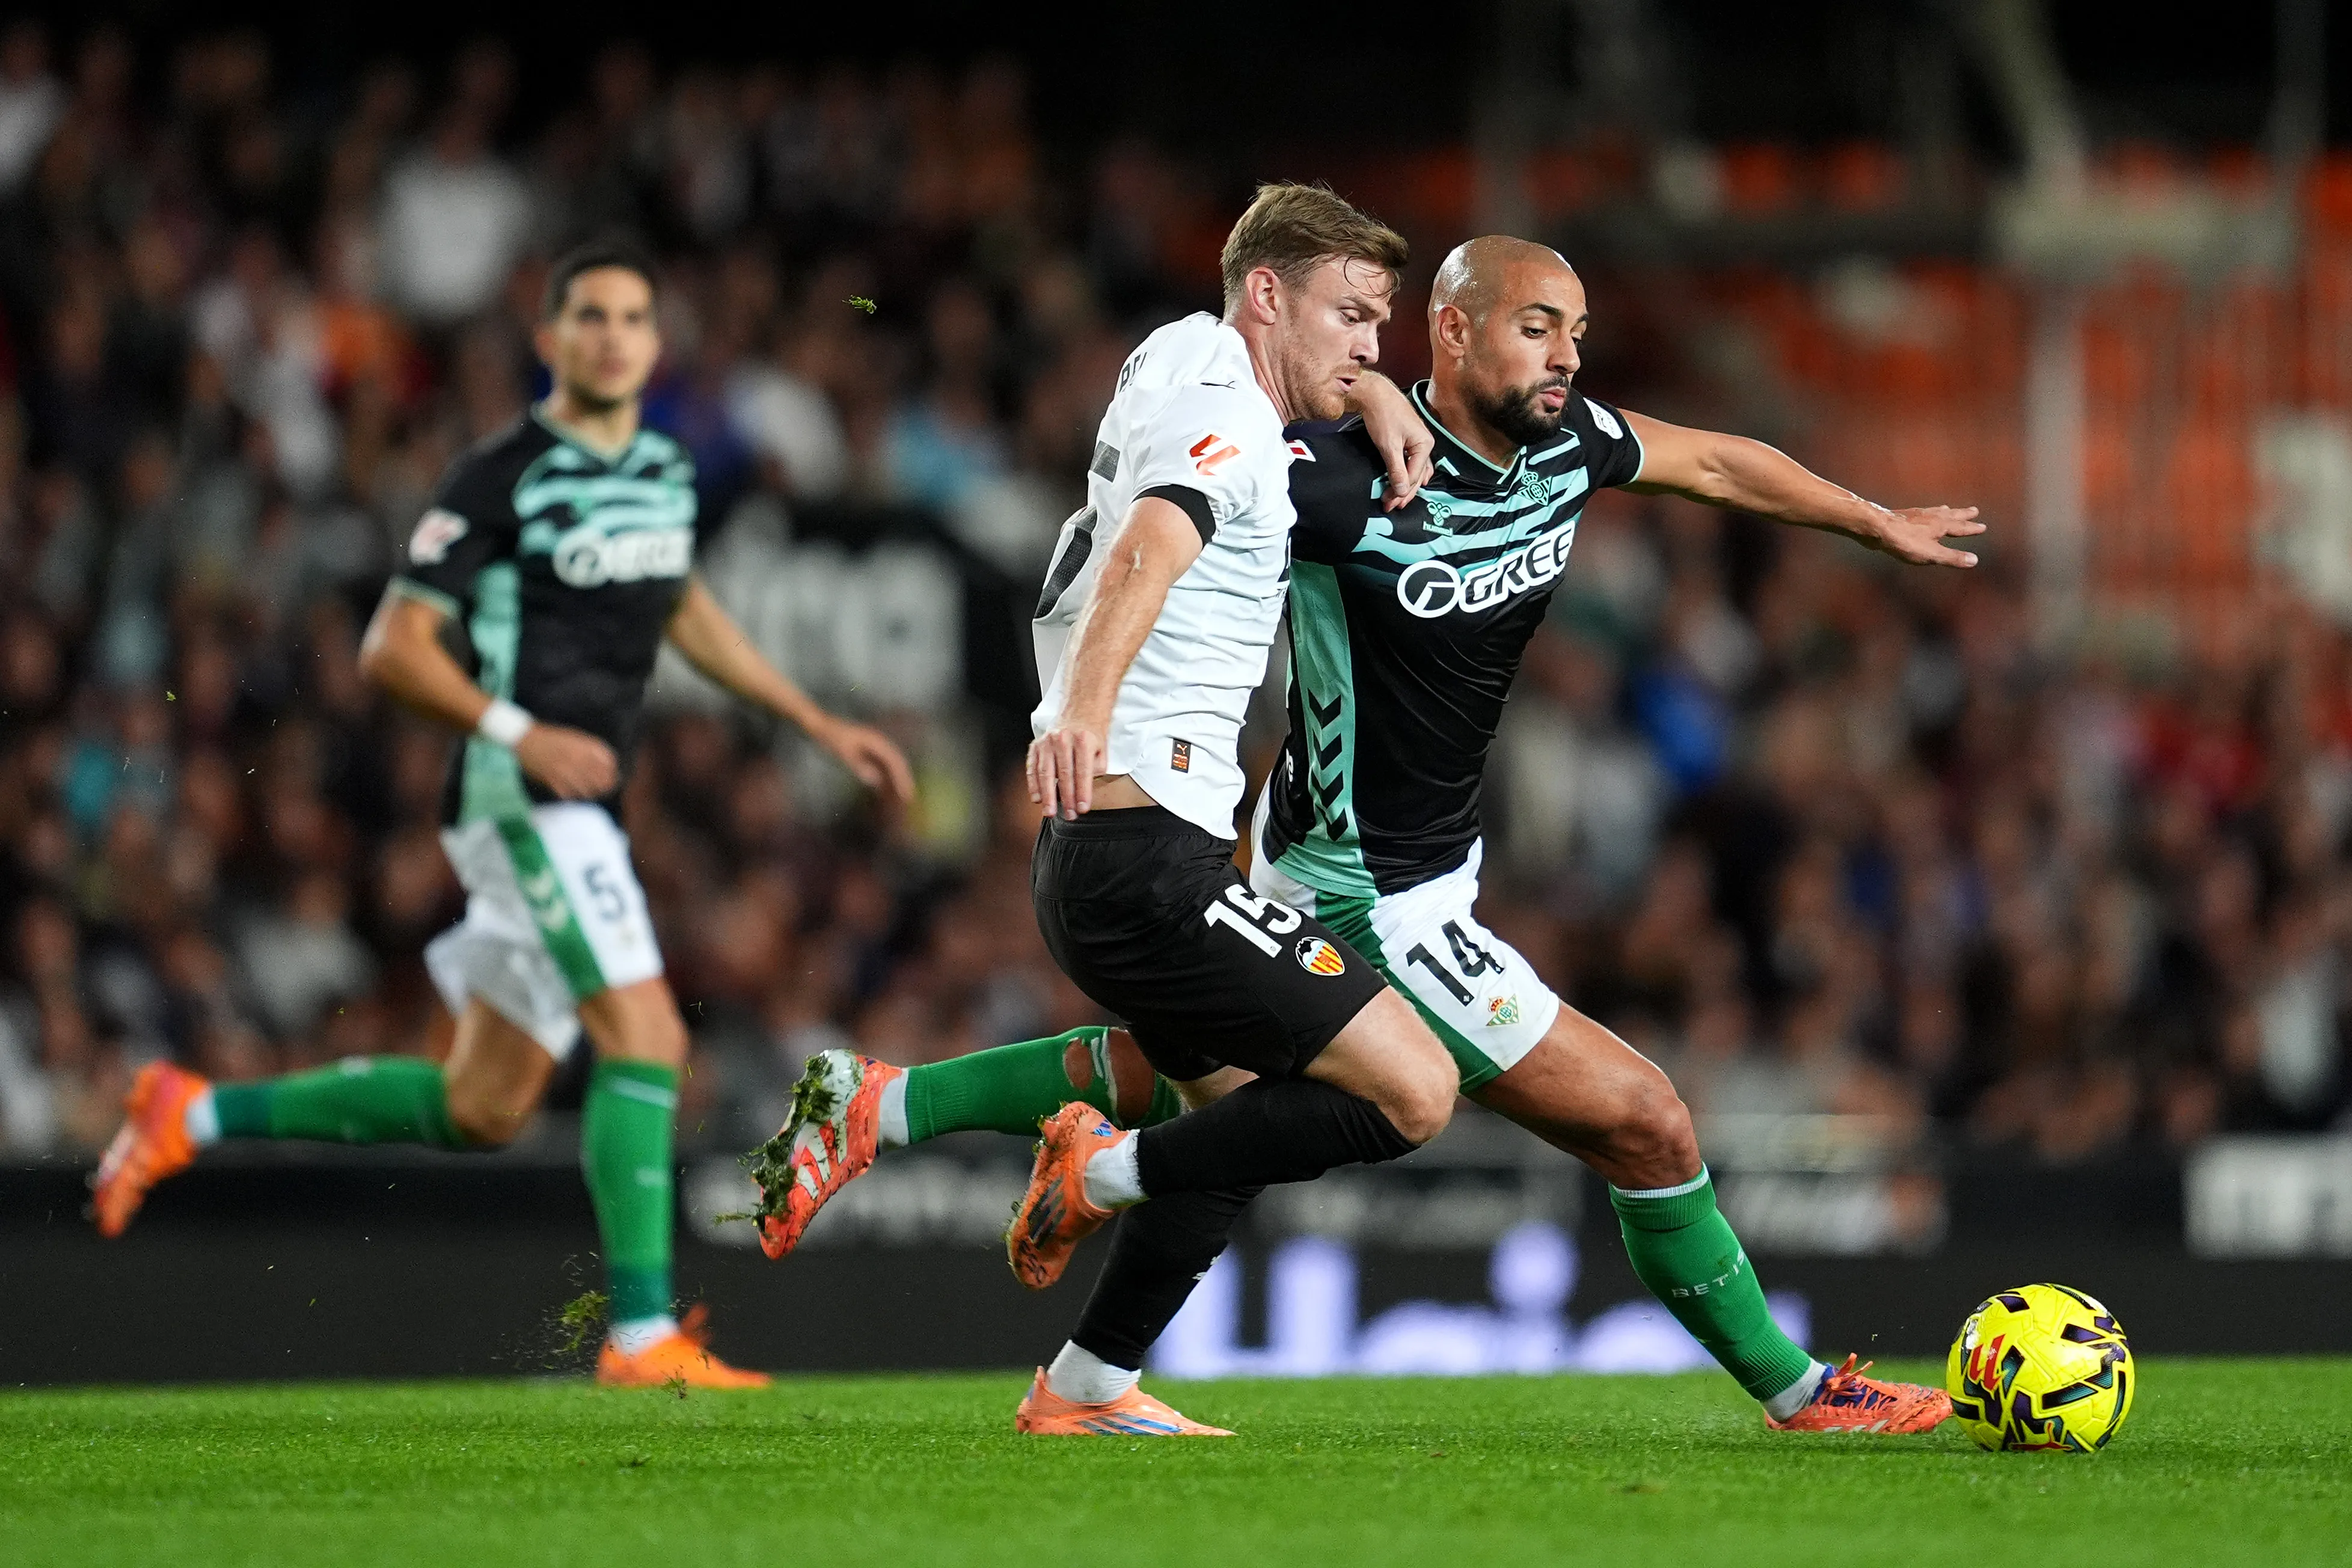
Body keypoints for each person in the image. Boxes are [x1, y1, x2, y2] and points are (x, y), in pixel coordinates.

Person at [750, 236, 1979, 1435]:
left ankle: (968, 1216)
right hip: (1363, 891)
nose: (1565, 356)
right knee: (1643, 1119)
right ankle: (1803, 1394)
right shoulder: (1332, 477)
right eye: (1536, 328)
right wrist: (1093, 698)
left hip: (1412, 867)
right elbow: (1177, 504)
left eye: (1577, 332)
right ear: (1453, 331)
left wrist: (1868, 519)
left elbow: (1713, 464)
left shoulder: (1571, 446)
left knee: (1212, 1094)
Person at [88, 236, 914, 1390]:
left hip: (583, 804)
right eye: (590, 317)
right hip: (520, 793)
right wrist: (520, 731)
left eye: (633, 318)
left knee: (481, 1105)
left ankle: (192, 1113)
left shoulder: (664, 470)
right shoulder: (502, 475)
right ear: (550, 340)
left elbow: (680, 606)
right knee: (648, 1038)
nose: (613, 337)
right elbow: (393, 647)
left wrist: (814, 720)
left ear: (656, 345)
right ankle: (641, 1337)